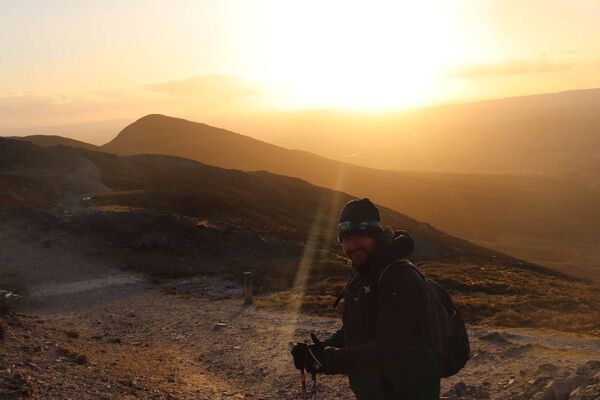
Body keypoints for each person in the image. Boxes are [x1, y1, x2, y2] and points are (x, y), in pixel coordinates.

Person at [291, 198, 440, 399]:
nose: (352, 246)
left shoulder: (399, 278)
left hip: (408, 390)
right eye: (346, 239)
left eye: (360, 236)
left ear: (375, 236)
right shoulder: (362, 273)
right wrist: (318, 350)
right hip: (377, 390)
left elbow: (391, 350)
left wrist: (326, 360)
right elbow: (356, 328)